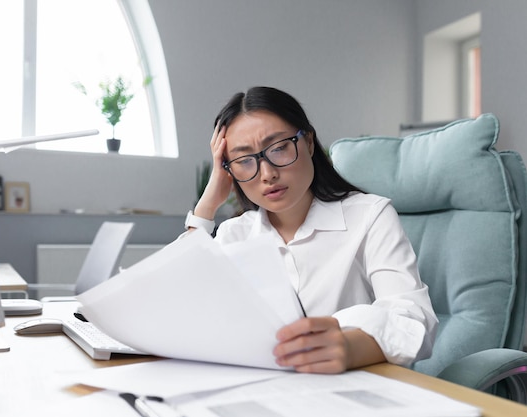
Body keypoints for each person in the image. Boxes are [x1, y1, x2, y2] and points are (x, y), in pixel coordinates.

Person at [185, 86, 438, 374]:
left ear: (308, 142)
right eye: (244, 161)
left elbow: (413, 321)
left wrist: (350, 347)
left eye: (279, 148)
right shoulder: (234, 234)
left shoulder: (369, 216)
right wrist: (207, 205)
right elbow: (182, 309)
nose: (267, 174)